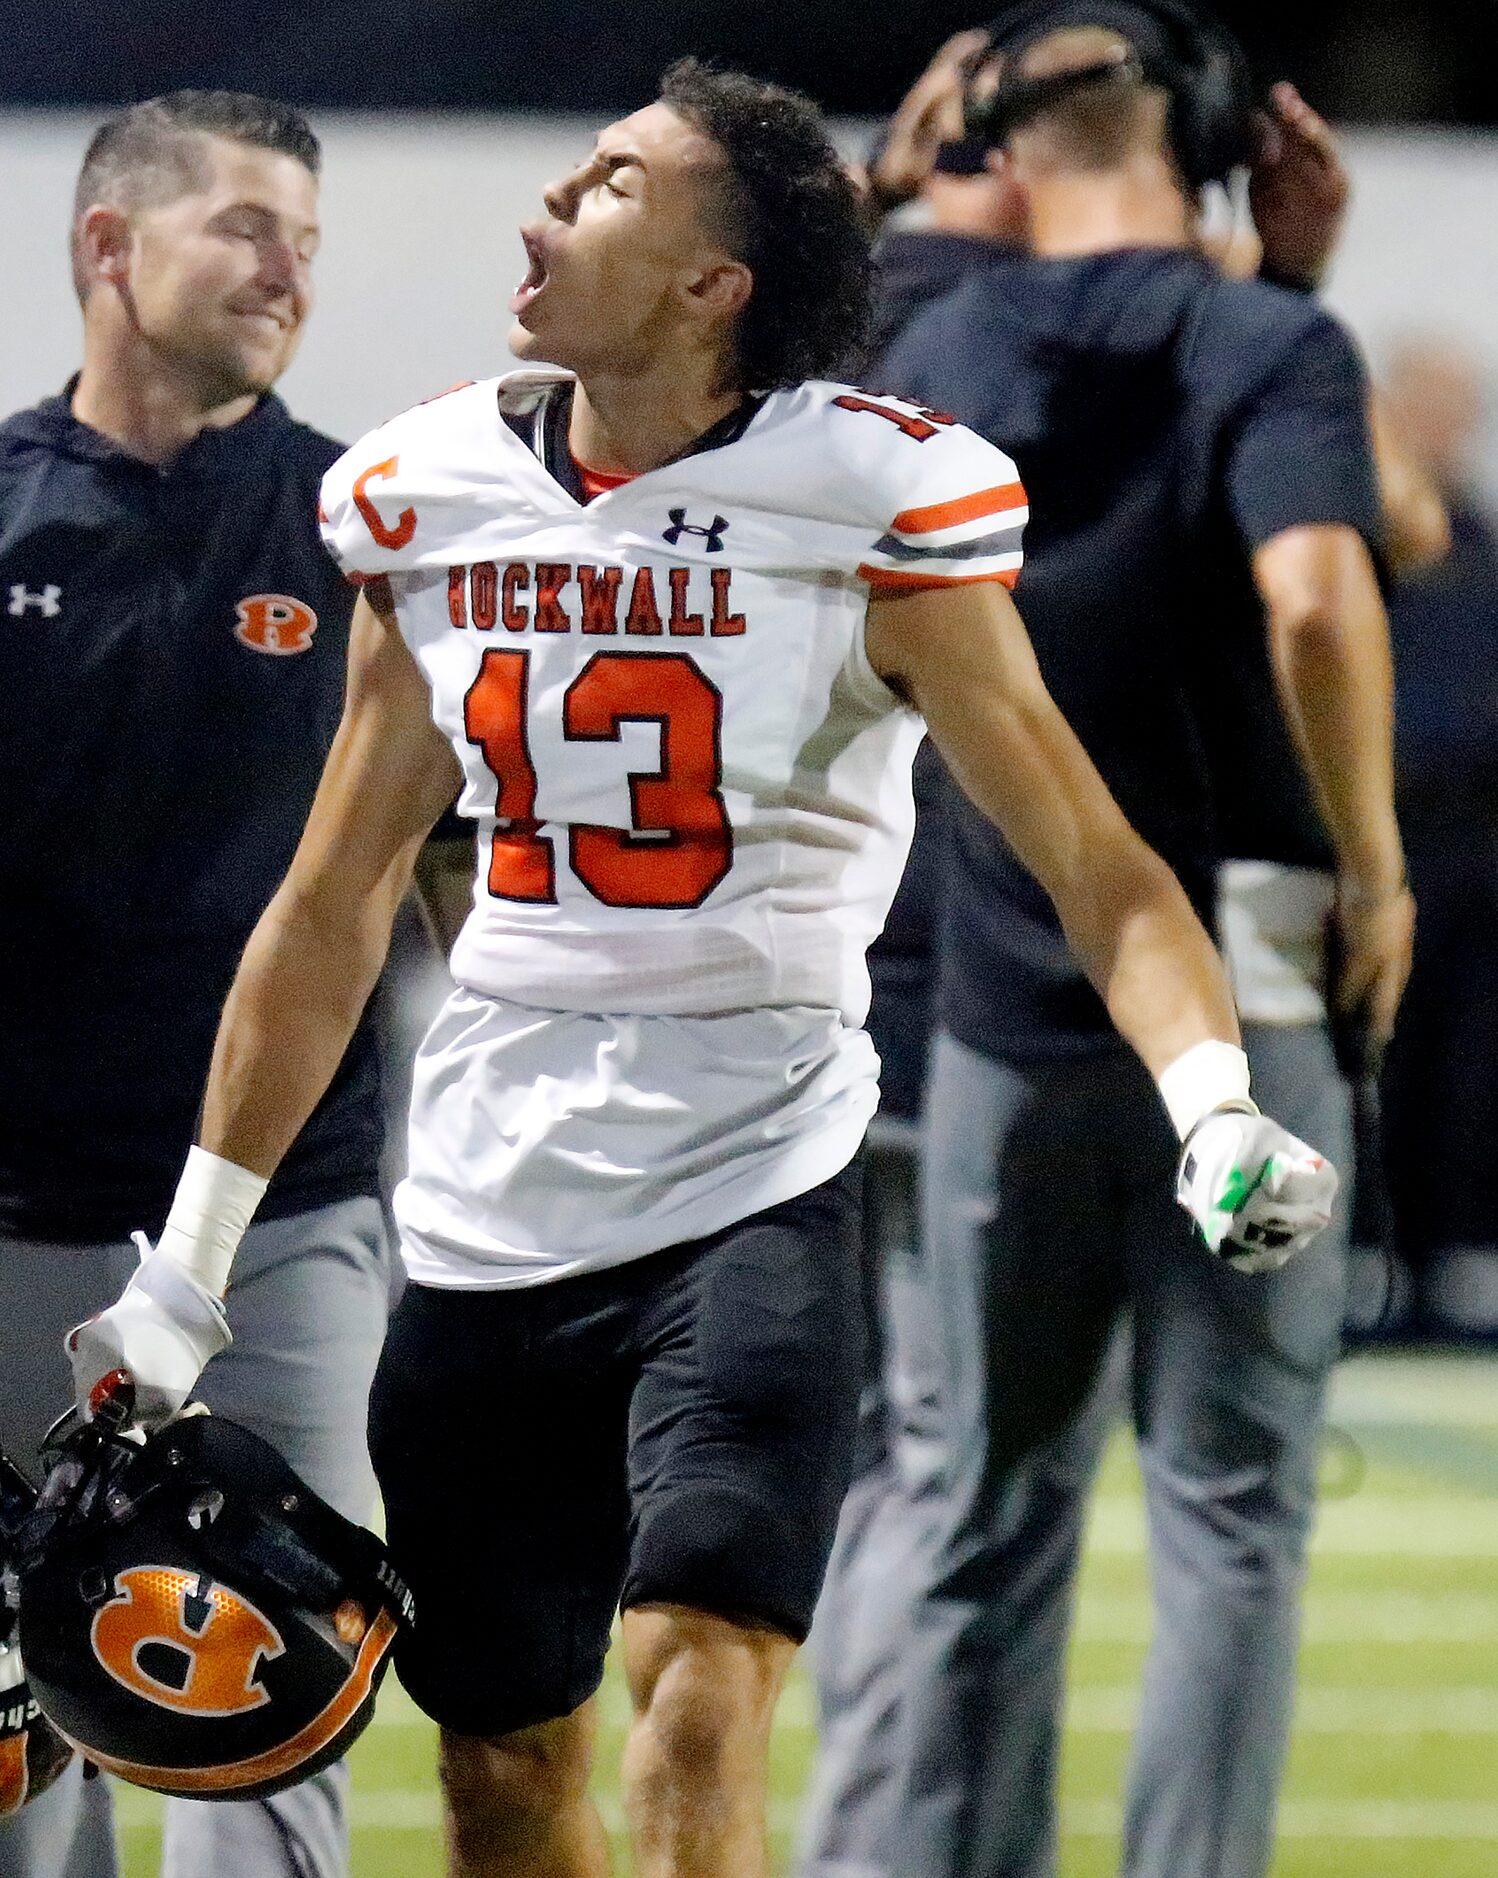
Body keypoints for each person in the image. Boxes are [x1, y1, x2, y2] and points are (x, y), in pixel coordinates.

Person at [66, 60, 1336, 1878]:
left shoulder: (868, 499)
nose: (542, 208)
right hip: (488, 1197)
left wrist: (1212, 1106)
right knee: (504, 1776)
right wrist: (189, 1267)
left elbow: (1095, 859)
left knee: (699, 1694)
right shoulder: (429, 493)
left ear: (708, 281)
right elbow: (334, 898)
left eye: (603, 187)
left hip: (754, 1177)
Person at [798, 10, 1410, 1878]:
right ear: (1211, 134)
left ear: (983, 135)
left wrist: (885, 204)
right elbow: (1328, 582)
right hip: (1252, 974)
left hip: (1003, 988)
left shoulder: (927, 342)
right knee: (1233, 1513)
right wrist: (1378, 862)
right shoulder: (1265, 335)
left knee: (980, 1519)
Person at [0, 89, 405, 1878]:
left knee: (265, 1711)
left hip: (278, 1226)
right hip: (0, 1221)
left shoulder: (363, 529)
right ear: (109, 245)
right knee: (9, 1751)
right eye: (248, 227)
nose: (287, 274)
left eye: (307, 244)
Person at [1378, 336, 1498, 1330]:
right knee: (1377, 1055)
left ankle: (1441, 1262)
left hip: (1471, 847)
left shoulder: (1482, 549)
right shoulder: (1352, 548)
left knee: (1462, 1065)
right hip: (1377, 839)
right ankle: (1367, 1258)